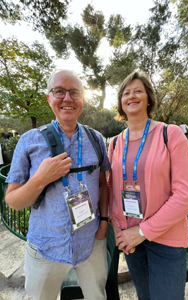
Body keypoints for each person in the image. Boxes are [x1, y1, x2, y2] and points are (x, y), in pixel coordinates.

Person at [5, 69, 111, 300]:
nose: (67, 99)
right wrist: (40, 178)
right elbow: (12, 201)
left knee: (97, 296)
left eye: (74, 92)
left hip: (90, 242)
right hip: (45, 246)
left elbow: (103, 184)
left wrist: (103, 223)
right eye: (59, 91)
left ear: (83, 99)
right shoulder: (29, 140)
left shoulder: (96, 139)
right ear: (49, 98)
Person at [108, 70, 188, 300]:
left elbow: (186, 195)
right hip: (131, 242)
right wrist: (118, 228)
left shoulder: (171, 134)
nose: (132, 96)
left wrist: (142, 232)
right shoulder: (116, 143)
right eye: (126, 92)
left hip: (166, 241)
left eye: (138, 91)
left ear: (148, 97)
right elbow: (111, 191)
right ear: (120, 102)